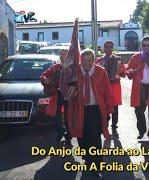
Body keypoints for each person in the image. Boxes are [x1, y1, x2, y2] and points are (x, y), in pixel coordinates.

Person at [72, 49, 114, 178]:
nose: (87, 63)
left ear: (94, 60)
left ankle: (96, 163)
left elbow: (107, 90)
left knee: (94, 137)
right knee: (81, 136)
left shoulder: (101, 72)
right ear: (81, 60)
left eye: (90, 60)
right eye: (84, 60)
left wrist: (109, 109)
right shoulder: (75, 73)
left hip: (96, 109)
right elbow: (66, 88)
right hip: (80, 109)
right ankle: (87, 157)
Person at [126, 36, 149, 143]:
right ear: (141, 45)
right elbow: (128, 71)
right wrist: (130, 71)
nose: (146, 47)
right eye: (144, 45)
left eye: (148, 45)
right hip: (139, 87)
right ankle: (141, 130)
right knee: (139, 110)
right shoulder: (135, 57)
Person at [96, 41, 125, 138]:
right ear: (103, 48)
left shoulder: (118, 59)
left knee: (115, 108)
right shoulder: (99, 60)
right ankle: (105, 127)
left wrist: (120, 70)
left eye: (110, 47)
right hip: (103, 87)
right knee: (104, 108)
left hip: (115, 86)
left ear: (112, 48)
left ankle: (114, 128)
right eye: (106, 47)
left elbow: (123, 73)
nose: (108, 49)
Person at [40, 49, 71, 144]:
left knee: (68, 116)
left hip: (70, 94)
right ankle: (61, 131)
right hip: (58, 94)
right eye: (61, 55)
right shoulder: (56, 67)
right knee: (57, 114)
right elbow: (43, 75)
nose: (62, 57)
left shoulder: (73, 67)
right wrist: (45, 80)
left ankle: (68, 137)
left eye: (65, 55)